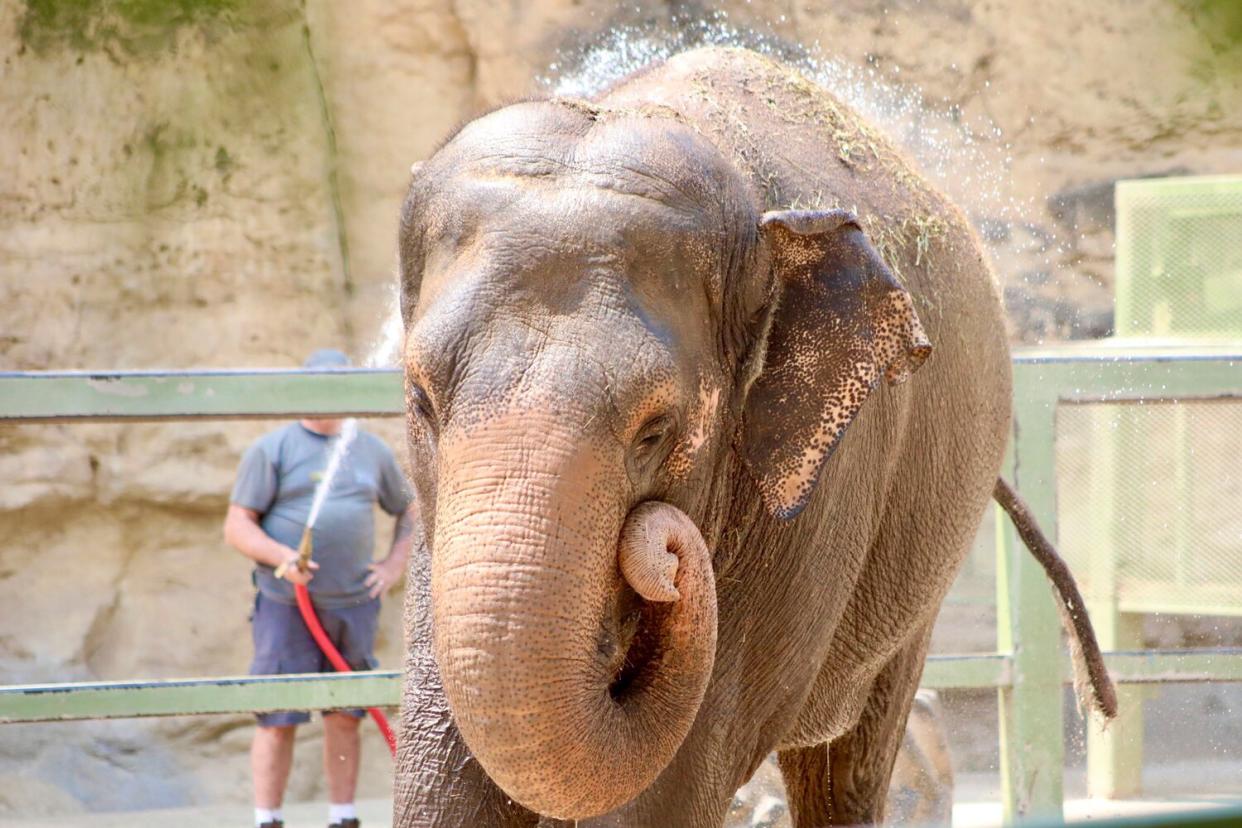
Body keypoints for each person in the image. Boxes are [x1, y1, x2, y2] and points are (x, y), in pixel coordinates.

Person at [223, 348, 416, 828]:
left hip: (352, 608)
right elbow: (237, 526)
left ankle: (343, 817)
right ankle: (267, 819)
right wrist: (283, 559)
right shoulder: (272, 449)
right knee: (278, 714)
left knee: (346, 712)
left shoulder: (369, 449)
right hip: (286, 604)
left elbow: (411, 510)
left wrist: (393, 565)